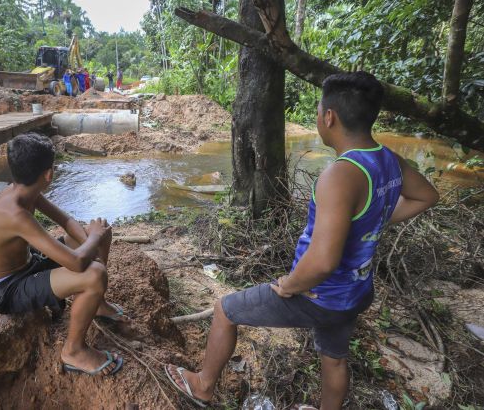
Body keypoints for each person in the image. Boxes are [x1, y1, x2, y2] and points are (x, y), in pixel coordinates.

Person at [164, 72, 440, 409]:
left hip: (320, 295)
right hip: (357, 292)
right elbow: (426, 195)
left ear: (329, 117)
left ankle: (203, 386)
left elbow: (323, 262)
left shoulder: (340, 175)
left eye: (317, 109)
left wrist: (289, 284)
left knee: (225, 310)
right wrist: (374, 220)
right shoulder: (388, 159)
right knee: (334, 359)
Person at [0, 133, 129, 377]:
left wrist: (92, 237)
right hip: (9, 288)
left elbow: (66, 221)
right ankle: (73, 351)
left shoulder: (24, 191)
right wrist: (93, 240)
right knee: (94, 274)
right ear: (49, 174)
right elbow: (78, 263)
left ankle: (96, 303)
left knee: (98, 234)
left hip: (27, 266)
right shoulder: (14, 214)